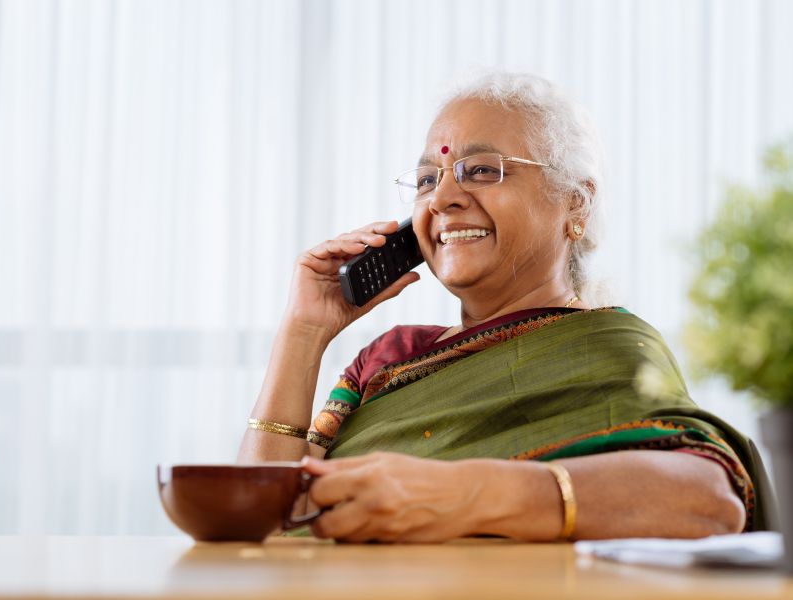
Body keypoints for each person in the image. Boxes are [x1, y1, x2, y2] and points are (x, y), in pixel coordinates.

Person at [237, 71, 769, 543]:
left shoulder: (610, 349)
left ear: (575, 204)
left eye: (483, 171)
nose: (443, 198)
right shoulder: (389, 357)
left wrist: (464, 492)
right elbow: (261, 519)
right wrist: (303, 331)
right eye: (428, 180)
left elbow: (710, 501)